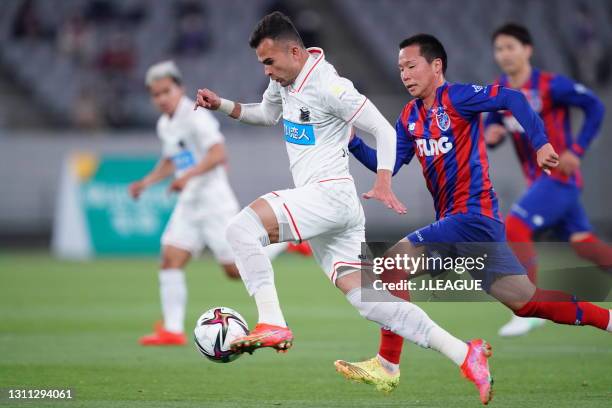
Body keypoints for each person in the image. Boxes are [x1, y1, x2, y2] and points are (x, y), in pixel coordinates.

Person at [195, 12, 494, 404]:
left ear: (294, 51)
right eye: (262, 64)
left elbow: (384, 130)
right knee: (371, 302)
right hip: (333, 212)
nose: (267, 71)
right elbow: (266, 114)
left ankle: (273, 321)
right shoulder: (286, 82)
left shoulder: (330, 85)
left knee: (240, 229)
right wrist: (222, 105)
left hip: (329, 196)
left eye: (270, 62)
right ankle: (463, 353)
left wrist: (383, 179)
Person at [336, 33, 611, 400]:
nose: (404, 74)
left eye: (411, 65)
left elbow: (512, 97)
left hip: (471, 217)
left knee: (386, 268)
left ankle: (388, 365)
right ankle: (608, 320)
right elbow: (387, 163)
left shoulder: (459, 98)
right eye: (400, 67)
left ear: (436, 66)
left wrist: (540, 141)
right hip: (463, 225)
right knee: (526, 302)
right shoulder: (409, 116)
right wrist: (353, 141)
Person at [129, 60, 293, 346]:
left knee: (233, 270)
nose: (161, 99)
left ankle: (287, 241)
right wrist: (146, 182)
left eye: (166, 91)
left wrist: (187, 176)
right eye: (155, 95)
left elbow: (218, 153)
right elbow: (173, 160)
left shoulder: (196, 117)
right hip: (189, 203)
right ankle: (171, 330)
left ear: (179, 88)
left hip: (213, 201)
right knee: (170, 258)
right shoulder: (165, 125)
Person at [484, 23, 610, 337]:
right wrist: (494, 136)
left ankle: (529, 306)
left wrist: (577, 149)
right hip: (538, 182)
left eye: (510, 47)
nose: (504, 54)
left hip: (559, 178)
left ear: (527, 50)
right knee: (585, 246)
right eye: (499, 49)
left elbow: (595, 106)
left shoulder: (551, 85)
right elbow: (491, 128)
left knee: (515, 225)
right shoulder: (501, 92)